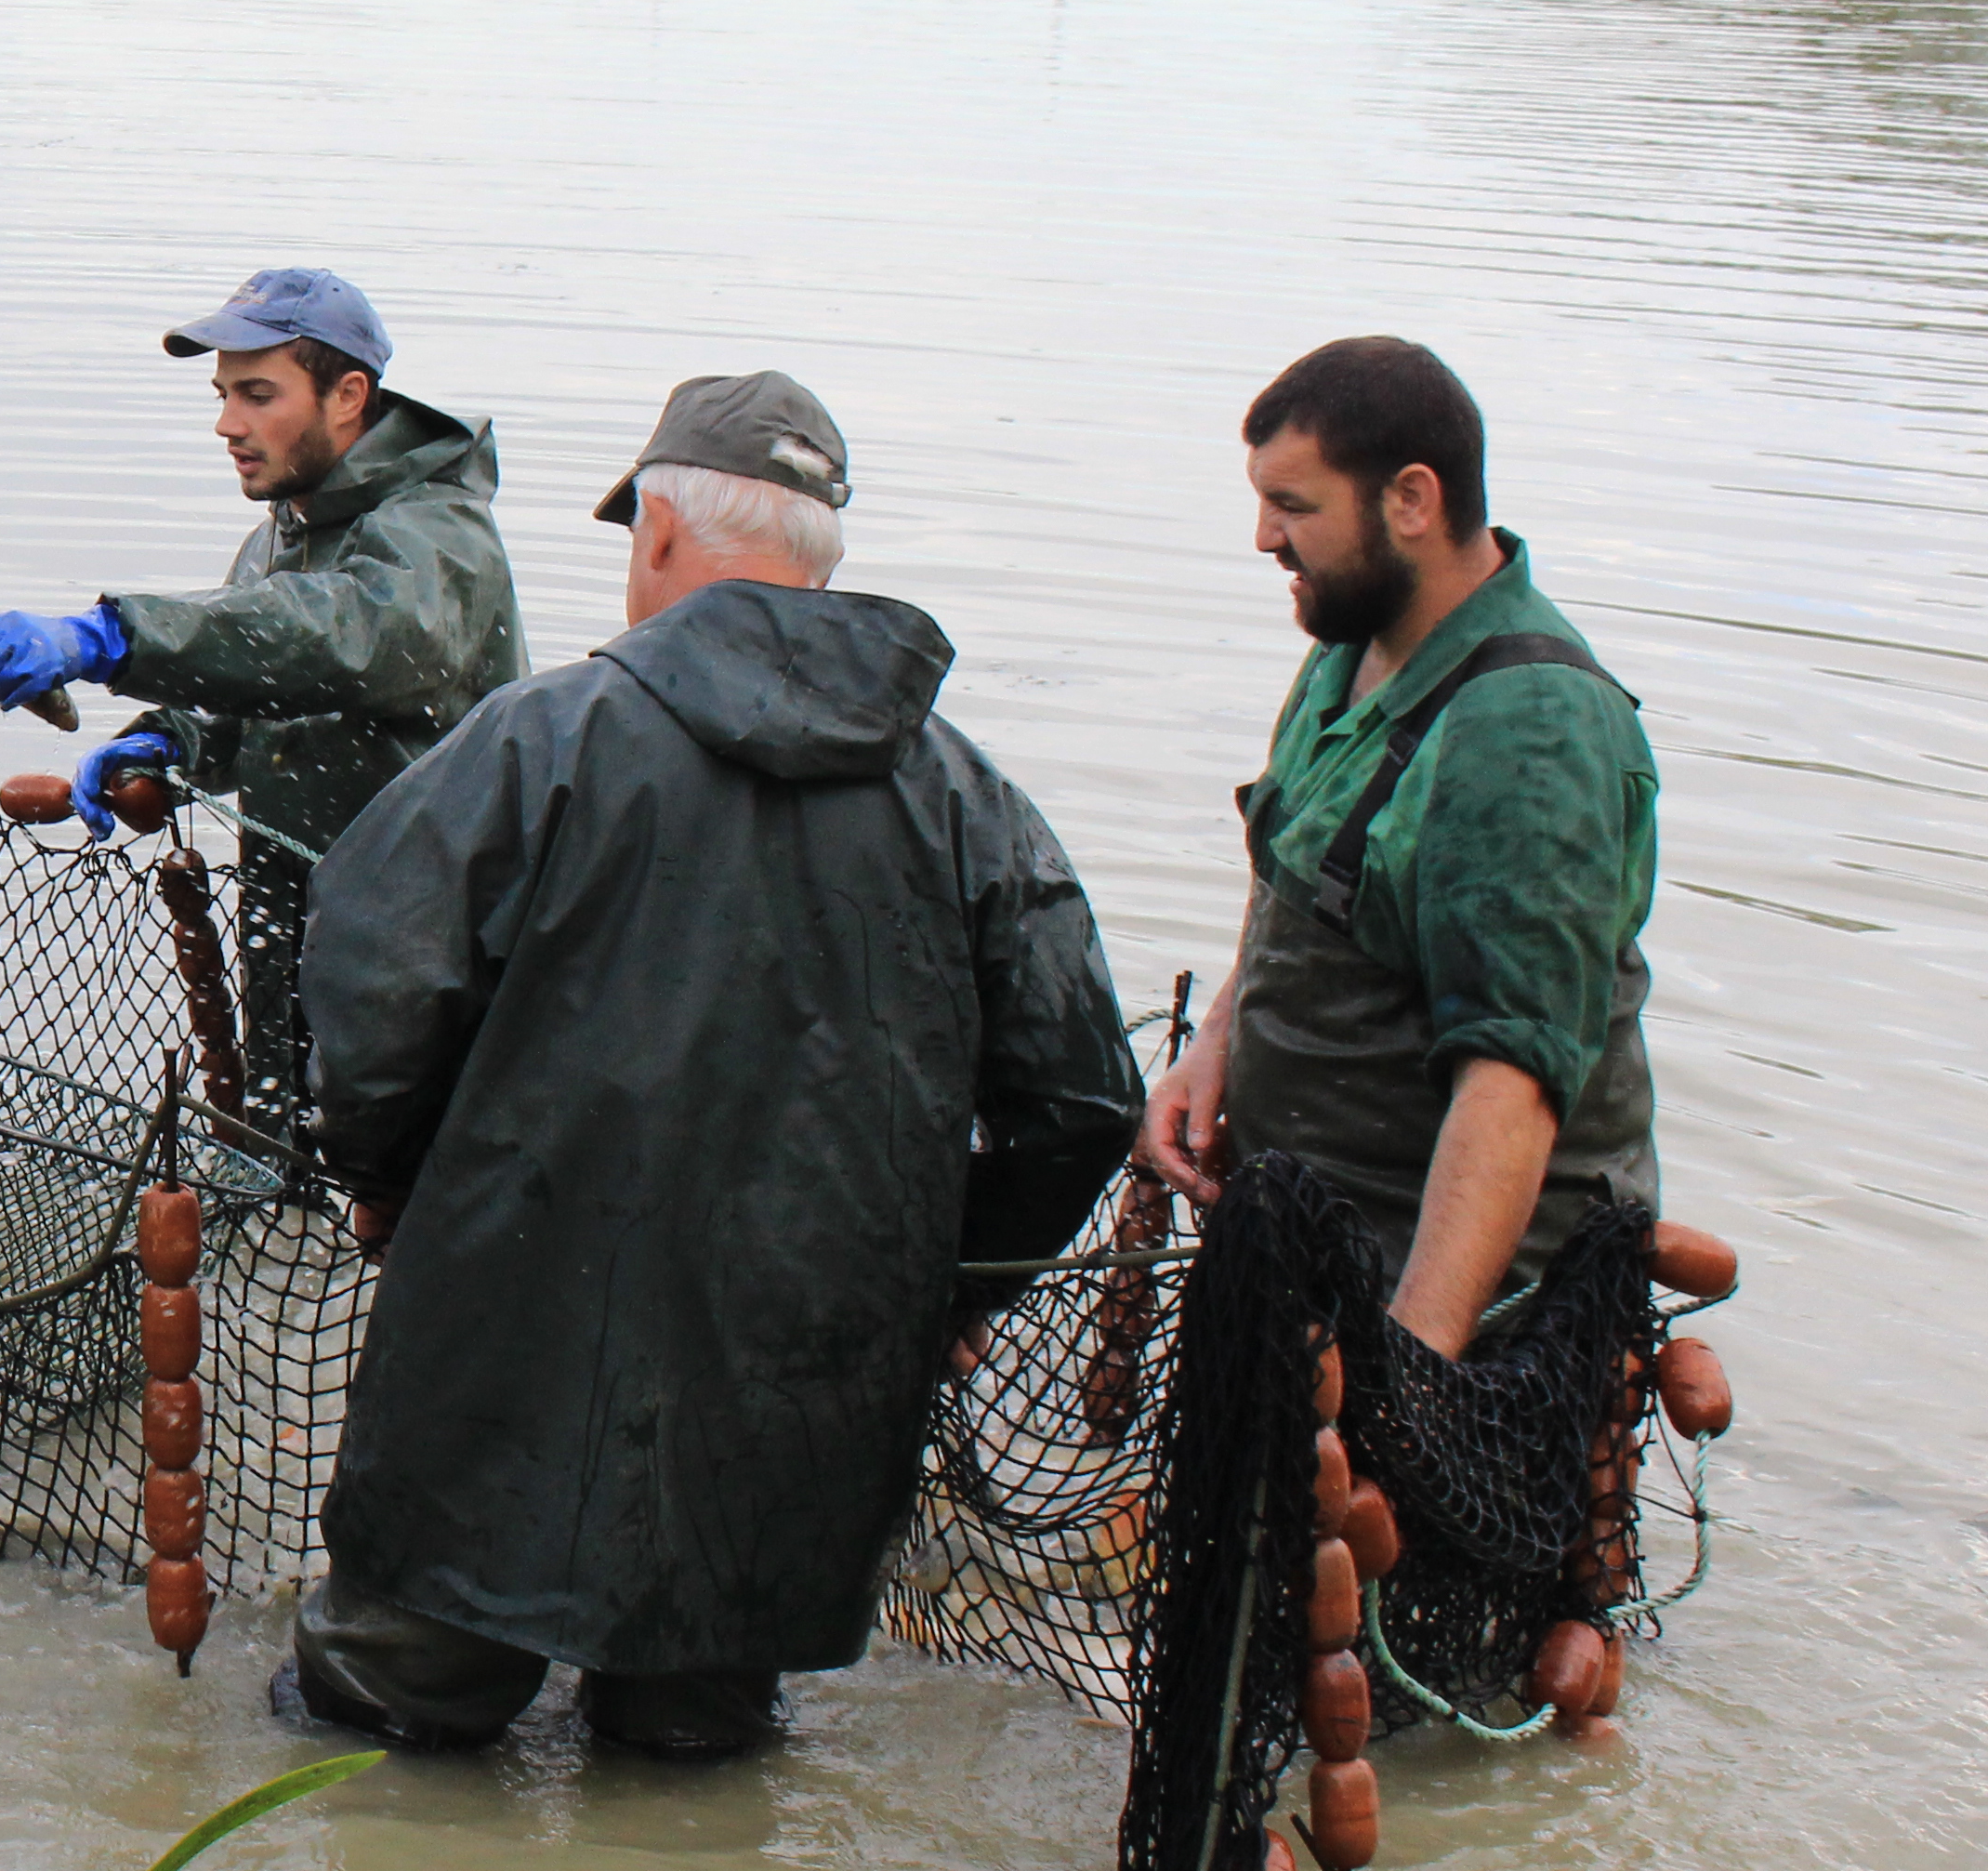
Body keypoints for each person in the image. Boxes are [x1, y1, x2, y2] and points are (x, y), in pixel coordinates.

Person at [283, 373, 1138, 1757]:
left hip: (500, 1347)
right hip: (795, 1404)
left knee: (385, 1724)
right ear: (822, 561)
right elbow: (1086, 1098)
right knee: (696, 1750)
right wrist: (960, 1275)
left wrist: (384, 1179)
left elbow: (372, 977)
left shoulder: (539, 740)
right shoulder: (968, 796)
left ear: (662, 535)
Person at [1133, 338, 1659, 1355]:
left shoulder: (1528, 732)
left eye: (1294, 505)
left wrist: (1413, 1379)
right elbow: (1308, 883)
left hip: (1478, 1322)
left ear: (1411, 500)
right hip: (1312, 1255)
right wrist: (1217, 1048)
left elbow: (1512, 1085)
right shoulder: (1350, 647)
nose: (1262, 538)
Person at [0, 268, 526, 1099]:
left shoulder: (441, 535)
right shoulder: (280, 536)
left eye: (258, 394)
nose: (227, 423)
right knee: (284, 1158)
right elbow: (252, 686)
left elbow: (340, 636)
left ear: (349, 394)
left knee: (399, 1188)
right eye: (223, 395)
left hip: (433, 956)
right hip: (292, 931)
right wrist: (166, 742)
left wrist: (114, 635)